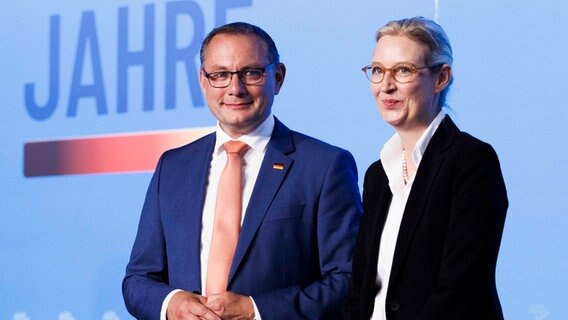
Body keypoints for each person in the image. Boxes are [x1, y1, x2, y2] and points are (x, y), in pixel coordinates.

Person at [122, 22, 362, 320]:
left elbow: (348, 279)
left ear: (278, 77)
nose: (235, 89)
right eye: (220, 75)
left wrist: (255, 310)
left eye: (251, 73)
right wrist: (172, 303)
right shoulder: (173, 167)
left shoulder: (324, 166)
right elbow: (138, 280)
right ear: (203, 81)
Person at [343, 16, 508, 320]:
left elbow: (461, 289)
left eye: (403, 70)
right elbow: (361, 289)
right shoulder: (377, 175)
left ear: (441, 78)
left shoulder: (471, 161)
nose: (386, 86)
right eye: (377, 71)